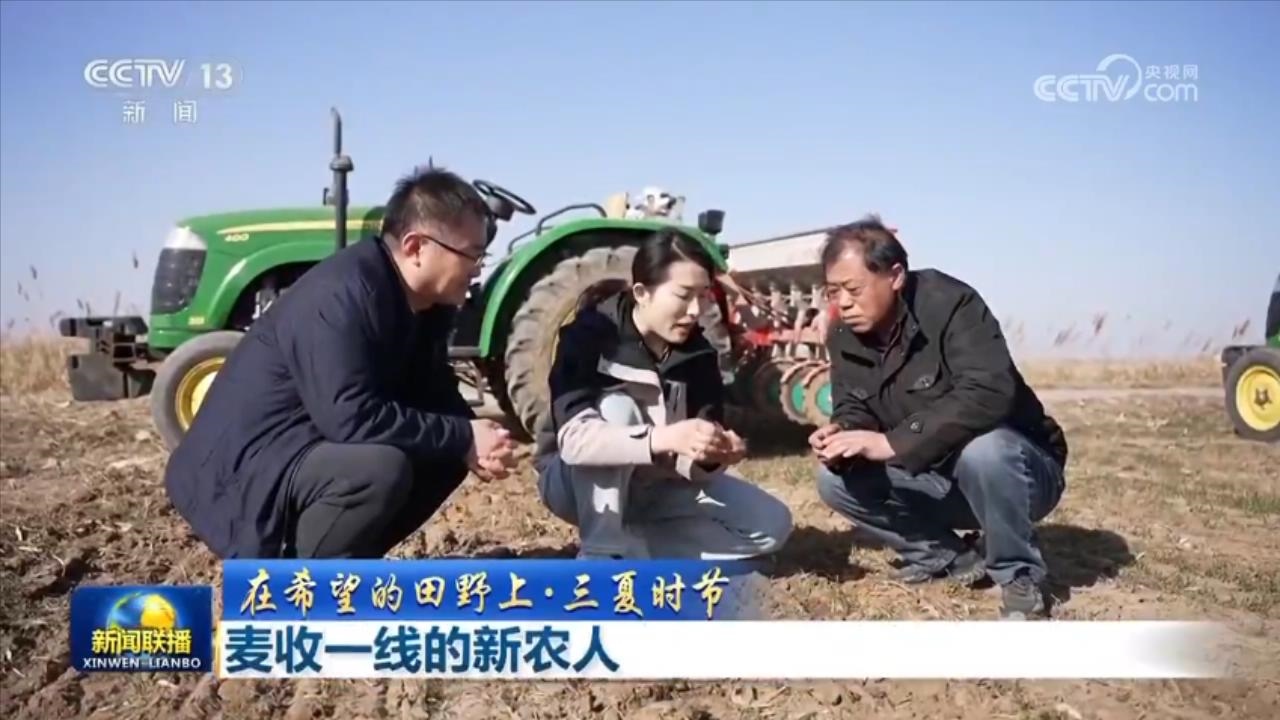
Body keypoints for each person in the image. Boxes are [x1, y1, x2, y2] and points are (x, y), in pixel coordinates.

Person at [163, 167, 518, 559]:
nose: (477, 267)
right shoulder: (341, 296)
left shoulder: (426, 306)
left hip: (306, 445)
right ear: (416, 247)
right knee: (379, 470)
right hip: (241, 472)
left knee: (445, 455)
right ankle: (296, 580)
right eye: (471, 254)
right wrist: (461, 435)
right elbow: (351, 417)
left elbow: (430, 383)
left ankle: (346, 564)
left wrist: (475, 437)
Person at [810, 216, 1068, 619]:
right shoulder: (844, 334)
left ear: (895, 275)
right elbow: (854, 404)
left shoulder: (951, 305)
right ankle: (948, 558)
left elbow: (988, 392)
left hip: (1020, 474)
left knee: (985, 450)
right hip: (936, 477)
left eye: (853, 289)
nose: (842, 302)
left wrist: (893, 442)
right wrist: (842, 432)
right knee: (835, 481)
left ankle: (1018, 576)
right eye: (833, 291)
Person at [533, 228, 794, 560]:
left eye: (703, 295)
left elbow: (690, 463)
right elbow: (575, 442)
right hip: (577, 484)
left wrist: (713, 454)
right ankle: (602, 552)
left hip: (656, 486)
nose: (696, 310)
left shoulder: (699, 355)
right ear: (642, 293)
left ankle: (633, 548)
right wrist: (664, 437)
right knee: (618, 408)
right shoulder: (590, 338)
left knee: (771, 524)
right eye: (684, 295)